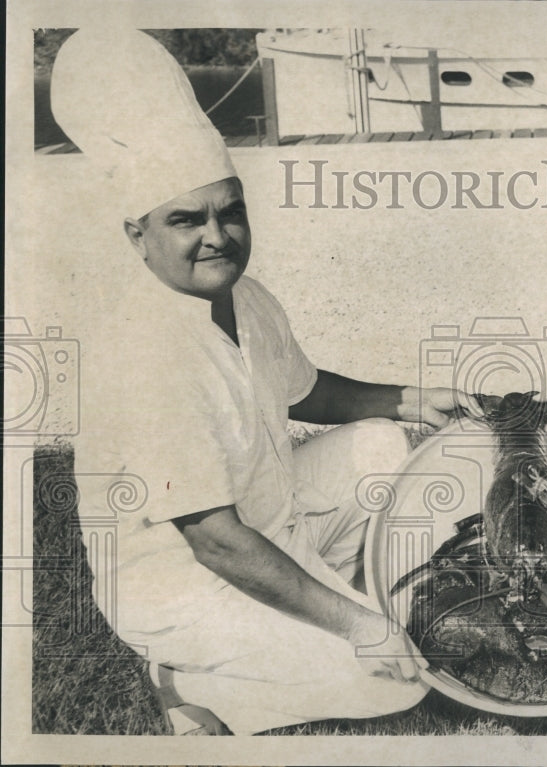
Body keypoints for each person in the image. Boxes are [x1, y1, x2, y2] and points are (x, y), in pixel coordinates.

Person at [53, 28, 481, 735]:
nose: (216, 235)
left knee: (379, 444)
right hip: (183, 578)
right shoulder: (142, 350)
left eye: (231, 210)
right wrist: (356, 623)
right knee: (391, 682)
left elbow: (304, 389)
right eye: (186, 220)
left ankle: (312, 609)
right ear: (139, 235)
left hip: (270, 521)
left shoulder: (245, 297)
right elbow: (214, 539)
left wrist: (410, 399)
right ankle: (185, 676)